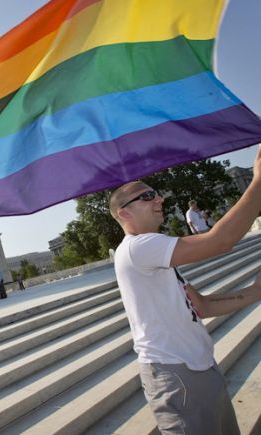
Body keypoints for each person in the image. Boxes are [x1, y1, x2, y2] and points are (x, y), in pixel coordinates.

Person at [109, 146, 261, 435]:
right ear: (124, 213)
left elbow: (201, 306)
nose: (159, 199)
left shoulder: (156, 258)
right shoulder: (138, 247)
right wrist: (258, 182)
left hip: (199, 368)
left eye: (156, 193)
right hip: (176, 375)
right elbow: (221, 241)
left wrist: (255, 292)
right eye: (147, 196)